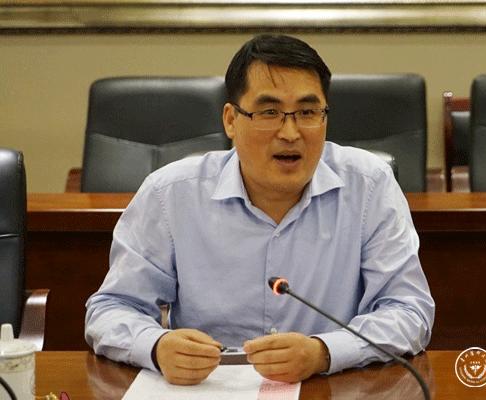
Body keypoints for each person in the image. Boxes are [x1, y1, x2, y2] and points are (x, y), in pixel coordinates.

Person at [85, 33, 435, 386]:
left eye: (308, 112)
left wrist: (324, 352)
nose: (290, 132)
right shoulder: (170, 194)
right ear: (231, 120)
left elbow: (408, 310)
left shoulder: (369, 185)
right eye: (269, 112)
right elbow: (111, 309)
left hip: (327, 387)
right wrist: (156, 345)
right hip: (208, 389)